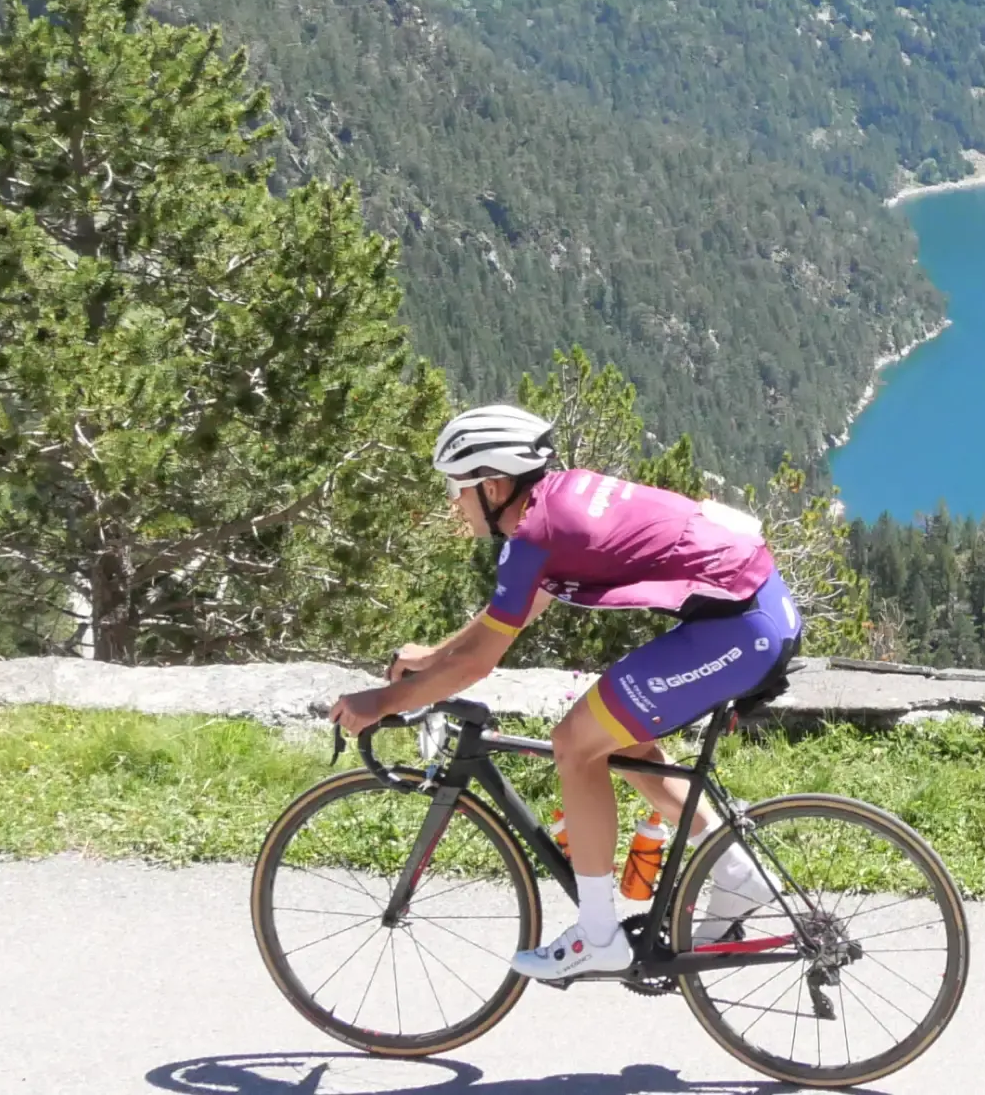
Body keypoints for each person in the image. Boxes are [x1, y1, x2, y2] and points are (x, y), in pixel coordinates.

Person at [328, 403, 799, 981]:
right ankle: (736, 876)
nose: (454, 503)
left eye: (459, 489)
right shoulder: (556, 503)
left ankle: (598, 934)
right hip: (755, 610)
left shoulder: (534, 537)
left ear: (494, 486)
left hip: (738, 628)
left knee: (575, 743)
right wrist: (432, 658)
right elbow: (509, 618)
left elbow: (479, 663)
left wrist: (380, 702)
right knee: (619, 740)